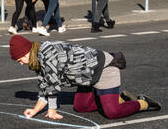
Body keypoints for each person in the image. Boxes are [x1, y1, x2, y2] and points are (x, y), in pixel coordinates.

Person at [9, 35, 161, 120]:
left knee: (112, 112)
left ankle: (142, 103)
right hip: (85, 77)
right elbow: (45, 85)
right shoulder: (36, 57)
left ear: (25, 53)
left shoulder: (47, 55)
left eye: (19, 60)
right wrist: (35, 110)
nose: (21, 63)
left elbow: (53, 86)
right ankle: (118, 98)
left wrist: (52, 110)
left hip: (103, 69)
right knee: (81, 107)